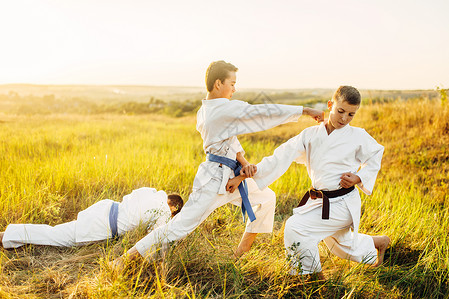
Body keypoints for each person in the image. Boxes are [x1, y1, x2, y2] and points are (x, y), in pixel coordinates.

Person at [112, 60, 324, 267]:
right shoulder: (221, 109)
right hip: (214, 179)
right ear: (218, 84)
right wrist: (305, 111)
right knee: (180, 226)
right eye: (232, 83)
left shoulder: (205, 110)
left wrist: (243, 165)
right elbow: (261, 111)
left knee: (267, 197)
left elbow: (228, 139)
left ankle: (238, 258)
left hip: (229, 176)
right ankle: (123, 260)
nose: (234, 88)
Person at [247, 85, 390, 277]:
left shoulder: (358, 136)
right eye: (340, 111)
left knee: (295, 227)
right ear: (330, 105)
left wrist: (358, 177)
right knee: (339, 244)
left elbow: (375, 154)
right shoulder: (310, 135)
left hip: (343, 203)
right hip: (320, 202)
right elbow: (283, 154)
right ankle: (378, 244)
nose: (344, 118)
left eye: (351, 114)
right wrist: (254, 170)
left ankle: (311, 279)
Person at [0, 187, 183, 249]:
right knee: (56, 235)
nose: (171, 216)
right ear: (174, 207)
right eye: (174, 214)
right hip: (104, 224)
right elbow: (152, 238)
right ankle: (6, 236)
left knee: (61, 231)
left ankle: (11, 238)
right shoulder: (164, 212)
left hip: (106, 207)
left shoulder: (151, 191)